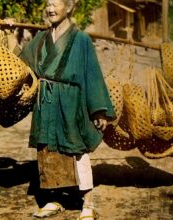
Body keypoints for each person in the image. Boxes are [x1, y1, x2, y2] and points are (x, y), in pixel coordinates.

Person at [9, 0, 116, 219]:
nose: (50, 9)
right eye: (48, 4)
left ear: (68, 7)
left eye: (55, 4)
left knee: (76, 149)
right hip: (46, 102)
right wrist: (11, 33)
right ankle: (54, 199)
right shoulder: (40, 39)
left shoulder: (81, 40)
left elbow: (92, 75)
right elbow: (19, 62)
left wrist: (98, 110)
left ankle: (88, 203)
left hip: (71, 103)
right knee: (47, 150)